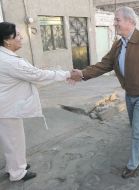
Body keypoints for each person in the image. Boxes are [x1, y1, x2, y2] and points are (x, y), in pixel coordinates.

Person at [71, 7, 139, 178]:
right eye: (115, 20)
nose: (114, 23)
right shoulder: (119, 44)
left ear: (130, 22)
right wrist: (83, 74)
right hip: (130, 93)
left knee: (136, 129)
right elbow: (104, 64)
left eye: (117, 20)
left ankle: (132, 164)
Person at [0, 22, 81, 182]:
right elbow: (37, 75)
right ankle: (17, 173)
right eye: (17, 35)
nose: (21, 37)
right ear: (8, 40)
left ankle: (14, 166)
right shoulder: (10, 61)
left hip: (6, 107)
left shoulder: (4, 56)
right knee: (14, 141)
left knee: (11, 140)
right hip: (6, 108)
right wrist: (67, 74)